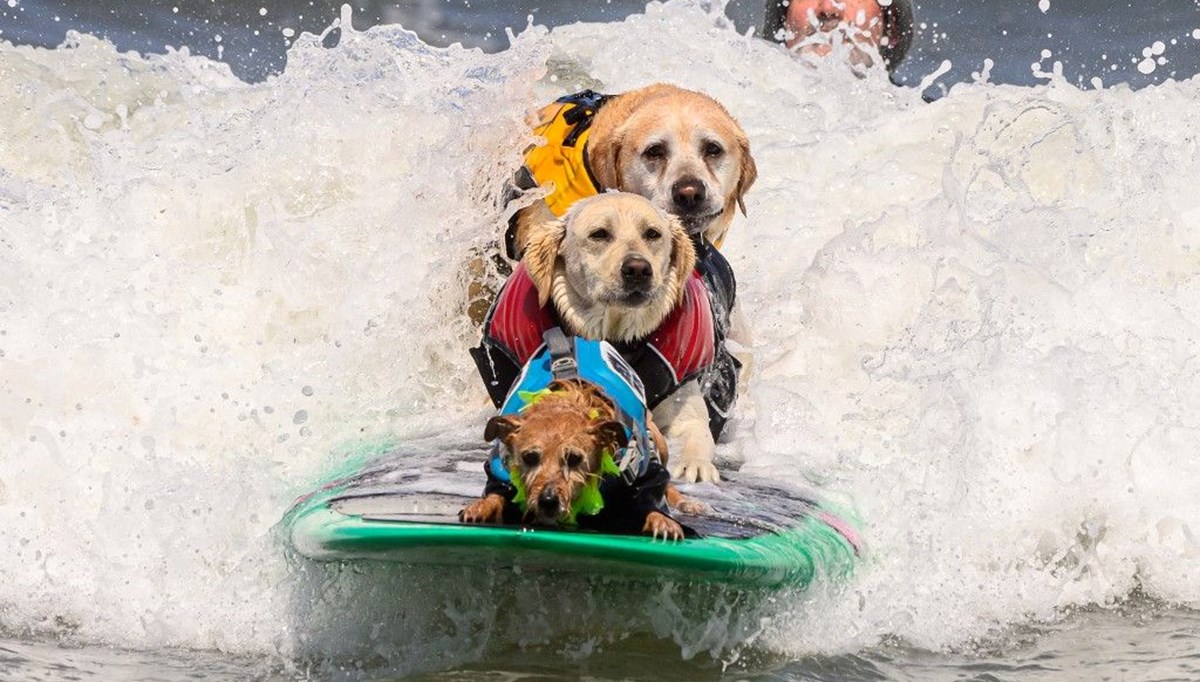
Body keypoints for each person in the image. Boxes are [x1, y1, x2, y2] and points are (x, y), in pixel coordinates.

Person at [763, 0, 915, 75]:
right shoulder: (743, 120)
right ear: (784, 20)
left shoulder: (930, 126)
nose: (828, 9)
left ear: (891, 27)